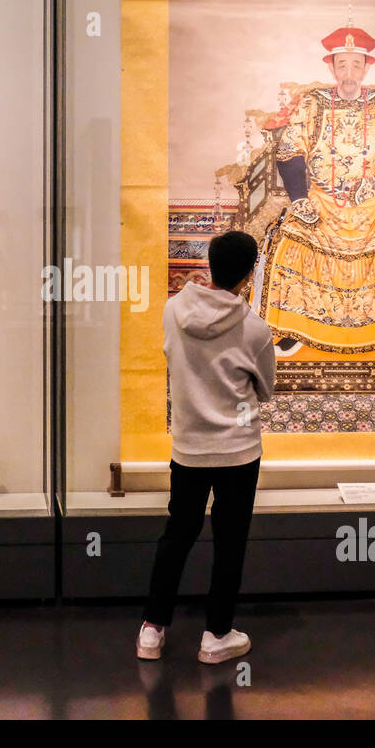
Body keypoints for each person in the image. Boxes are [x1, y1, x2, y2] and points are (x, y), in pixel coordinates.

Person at [253, 23, 375, 359]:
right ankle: (296, 327)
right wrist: (299, 198)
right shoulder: (313, 103)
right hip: (321, 199)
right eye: (343, 65)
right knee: (294, 237)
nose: (349, 73)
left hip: (374, 201)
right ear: (331, 67)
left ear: (367, 67)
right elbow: (289, 149)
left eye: (357, 65)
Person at [137, 230, 277, 664]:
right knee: (229, 541)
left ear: (210, 263)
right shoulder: (254, 329)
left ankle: (152, 630)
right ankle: (216, 636)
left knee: (176, 535)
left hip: (189, 448)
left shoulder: (173, 309)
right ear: (250, 271)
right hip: (238, 451)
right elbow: (266, 389)